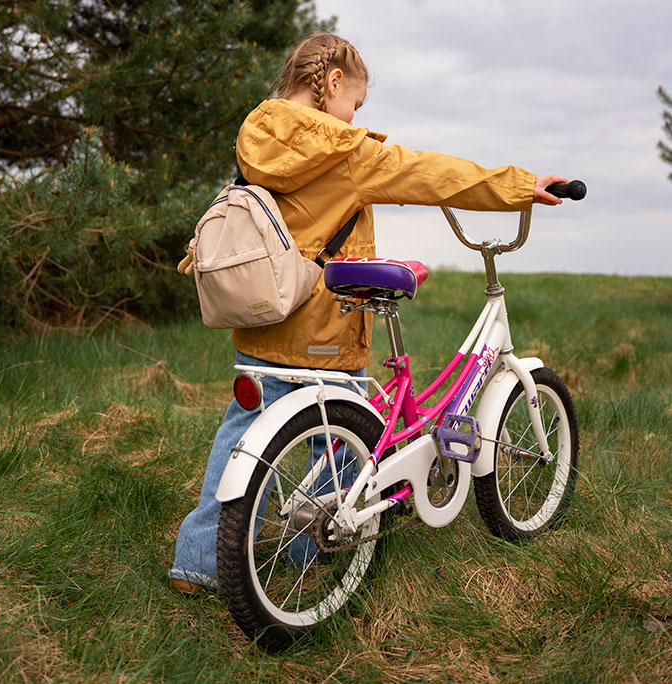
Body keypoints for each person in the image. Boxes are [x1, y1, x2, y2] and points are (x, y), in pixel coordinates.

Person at [170, 33, 567, 595]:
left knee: (240, 436)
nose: (355, 115)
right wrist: (522, 187)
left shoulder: (257, 138)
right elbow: (432, 173)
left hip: (259, 323)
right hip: (324, 330)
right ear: (333, 84)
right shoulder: (347, 152)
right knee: (344, 434)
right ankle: (324, 551)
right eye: (355, 103)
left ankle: (197, 562)